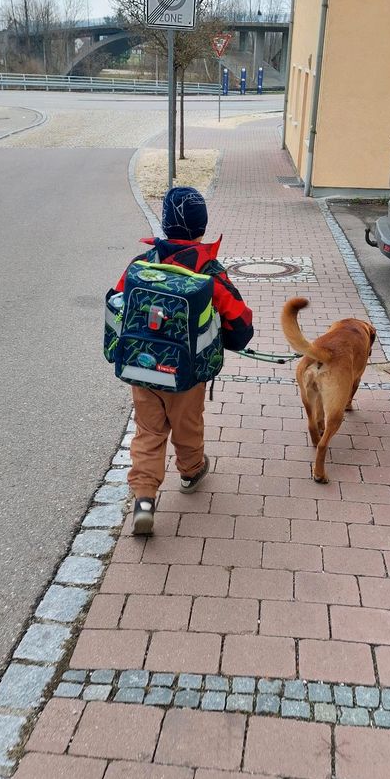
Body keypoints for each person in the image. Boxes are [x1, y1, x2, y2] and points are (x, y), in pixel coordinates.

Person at [114, 186, 254, 534]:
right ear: (202, 228)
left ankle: (144, 500)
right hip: (187, 374)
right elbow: (241, 323)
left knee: (148, 431)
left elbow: (117, 301)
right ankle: (191, 472)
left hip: (142, 369)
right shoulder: (209, 273)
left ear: (164, 227)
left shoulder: (142, 265)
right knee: (187, 427)